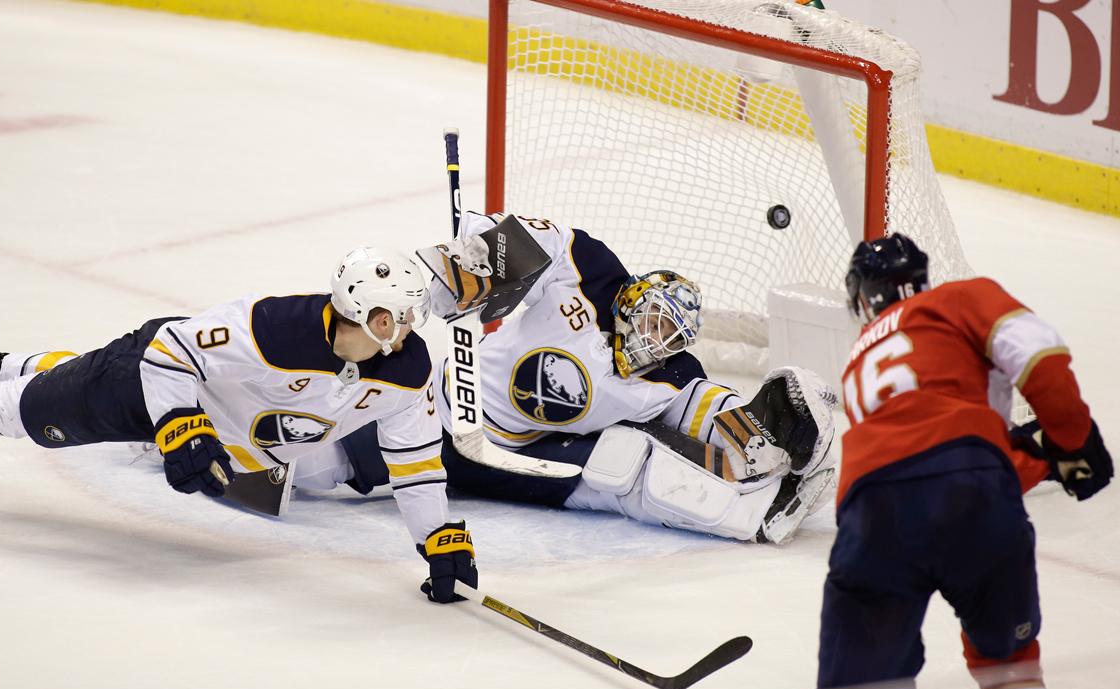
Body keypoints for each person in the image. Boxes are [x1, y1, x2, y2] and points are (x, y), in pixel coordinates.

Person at [0, 247, 479, 604]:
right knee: (27, 415)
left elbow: (417, 464)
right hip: (151, 376)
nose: (404, 334)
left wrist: (438, 536)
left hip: (238, 430)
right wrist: (181, 427)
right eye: (392, 321)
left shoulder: (407, 373)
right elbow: (170, 352)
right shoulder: (271, 327)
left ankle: (4, 364)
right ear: (358, 314)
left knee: (291, 486)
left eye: (407, 320)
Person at [291, 211, 840, 544]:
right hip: (447, 409)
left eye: (668, 337)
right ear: (632, 297)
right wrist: (467, 269)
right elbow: (515, 242)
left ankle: (762, 513)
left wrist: (768, 437)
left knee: (623, 465)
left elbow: (714, 413)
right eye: (651, 321)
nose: (653, 341)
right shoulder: (593, 270)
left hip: (528, 458)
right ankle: (251, 446)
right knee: (325, 458)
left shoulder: (672, 376)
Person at [803, 234, 1112, 689]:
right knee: (1009, 663)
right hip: (972, 495)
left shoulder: (858, 360)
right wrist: (1068, 444)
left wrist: (1037, 457)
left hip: (870, 517)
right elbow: (1039, 361)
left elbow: (913, 467)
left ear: (863, 299)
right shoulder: (957, 298)